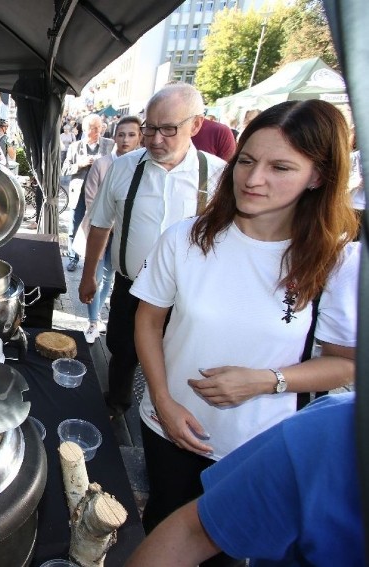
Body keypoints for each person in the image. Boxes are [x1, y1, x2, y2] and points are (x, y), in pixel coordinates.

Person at [130, 99, 359, 564]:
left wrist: (266, 379)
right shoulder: (186, 237)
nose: (254, 180)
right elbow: (149, 320)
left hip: (256, 449)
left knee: (225, 555)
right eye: (248, 161)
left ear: (317, 176)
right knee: (162, 528)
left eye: (281, 167)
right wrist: (164, 402)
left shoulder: (335, 262)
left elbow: (345, 365)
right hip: (167, 427)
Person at [79, 83, 227, 421]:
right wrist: (88, 276)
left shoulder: (218, 175)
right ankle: (116, 404)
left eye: (168, 129)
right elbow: (100, 224)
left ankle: (172, 411)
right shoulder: (123, 167)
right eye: (150, 128)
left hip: (187, 294)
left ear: (196, 125)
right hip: (130, 287)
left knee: (181, 357)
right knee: (122, 351)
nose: (155, 139)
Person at [126, 392, 363, 567]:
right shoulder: (332, 432)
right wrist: (163, 399)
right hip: (178, 430)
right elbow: (190, 533)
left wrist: (270, 379)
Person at [74, 116, 142, 344]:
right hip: (100, 231)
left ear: (140, 137)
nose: (125, 139)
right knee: (96, 275)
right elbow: (92, 199)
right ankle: (93, 320)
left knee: (109, 276)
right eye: (121, 134)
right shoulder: (102, 164)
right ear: (114, 137)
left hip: (126, 235)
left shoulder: (141, 165)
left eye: (131, 134)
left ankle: (98, 313)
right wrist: (110, 224)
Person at [63, 113, 115, 271]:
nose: (98, 130)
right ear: (85, 129)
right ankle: (73, 258)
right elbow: (65, 169)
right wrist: (80, 164)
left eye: (100, 127)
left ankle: (97, 259)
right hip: (79, 193)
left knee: (100, 226)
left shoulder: (110, 145)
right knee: (75, 225)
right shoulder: (75, 146)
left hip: (101, 193)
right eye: (94, 128)